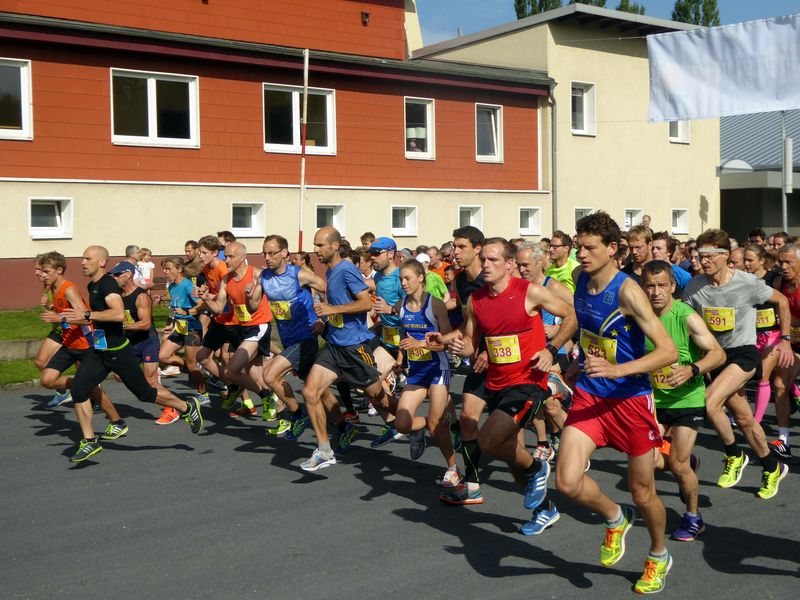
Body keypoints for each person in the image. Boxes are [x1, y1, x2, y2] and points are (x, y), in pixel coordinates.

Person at [557, 212, 679, 595]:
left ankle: (659, 554)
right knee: (566, 481)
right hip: (592, 394)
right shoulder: (578, 278)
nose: (582, 254)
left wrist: (617, 369)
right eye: (579, 247)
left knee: (643, 493)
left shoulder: (629, 291)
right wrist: (578, 361)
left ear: (613, 250)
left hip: (630, 401)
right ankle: (614, 516)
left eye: (590, 248)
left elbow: (668, 351)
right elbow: (587, 325)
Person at [434, 237, 576, 534]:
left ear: (510, 264)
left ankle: (538, 467)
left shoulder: (531, 292)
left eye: (493, 260)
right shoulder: (477, 300)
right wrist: (461, 348)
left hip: (527, 382)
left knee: (488, 440)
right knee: (509, 451)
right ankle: (544, 509)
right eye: (484, 259)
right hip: (496, 382)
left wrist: (552, 348)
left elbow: (571, 316)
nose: (485, 265)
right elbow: (472, 344)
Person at [61, 246, 203, 462]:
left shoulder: (108, 284)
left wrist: (88, 313)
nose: (82, 262)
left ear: (101, 262)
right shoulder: (93, 285)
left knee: (145, 393)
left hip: (119, 351)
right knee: (80, 390)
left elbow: (118, 314)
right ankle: (89, 442)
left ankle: (186, 406)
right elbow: (96, 318)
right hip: (100, 350)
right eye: (82, 257)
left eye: (87, 258)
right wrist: (68, 318)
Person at [681, 229, 792, 499]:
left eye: (708, 256)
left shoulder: (747, 282)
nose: (703, 261)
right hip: (715, 356)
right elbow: (685, 321)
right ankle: (771, 466)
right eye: (699, 255)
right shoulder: (695, 286)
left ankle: (733, 454)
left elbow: (782, 301)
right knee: (744, 419)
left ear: (724, 256)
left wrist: (786, 339)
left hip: (743, 353)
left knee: (709, 403)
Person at [299, 226, 397, 471]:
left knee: (378, 396)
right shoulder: (331, 270)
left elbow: (365, 302)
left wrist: (333, 310)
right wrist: (325, 320)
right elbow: (336, 304)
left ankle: (406, 422)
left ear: (335, 246)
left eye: (320, 245)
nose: (315, 250)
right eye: (314, 244)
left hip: (354, 346)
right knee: (310, 392)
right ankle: (324, 451)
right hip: (334, 345)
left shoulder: (346, 269)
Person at [641, 260, 725, 541]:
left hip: (687, 398)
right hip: (654, 399)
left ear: (673, 287)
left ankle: (692, 516)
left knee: (677, 465)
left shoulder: (685, 316)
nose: (656, 292)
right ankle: (688, 462)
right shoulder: (638, 318)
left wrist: (692, 369)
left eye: (662, 285)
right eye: (650, 286)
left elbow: (717, 353)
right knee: (649, 461)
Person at [37, 251, 123, 434]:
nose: (41, 275)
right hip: (70, 343)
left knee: (89, 386)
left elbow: (86, 319)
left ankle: (117, 422)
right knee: (47, 379)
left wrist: (59, 319)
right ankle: (82, 385)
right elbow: (65, 312)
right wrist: (53, 310)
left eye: (45, 271)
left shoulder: (69, 288)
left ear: (59, 270)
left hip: (87, 343)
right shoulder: (53, 288)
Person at [256, 234, 328, 438]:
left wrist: (322, 319)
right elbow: (253, 305)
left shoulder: (300, 275)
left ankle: (298, 413)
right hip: (288, 339)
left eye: (271, 253)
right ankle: (344, 424)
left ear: (284, 253)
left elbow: (327, 288)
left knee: (269, 375)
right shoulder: (265, 277)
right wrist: (250, 294)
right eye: (264, 253)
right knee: (316, 388)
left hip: (305, 337)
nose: (267, 257)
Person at [393, 259, 458, 482]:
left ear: (420, 278)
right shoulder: (400, 305)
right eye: (401, 279)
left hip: (438, 368)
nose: (403, 283)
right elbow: (404, 336)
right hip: (416, 371)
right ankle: (424, 426)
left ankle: (452, 467)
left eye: (407, 278)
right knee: (401, 423)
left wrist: (420, 345)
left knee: (435, 426)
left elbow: (448, 341)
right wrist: (400, 358)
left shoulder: (435, 305)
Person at [200, 242, 276, 418]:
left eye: (230, 256)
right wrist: (205, 298)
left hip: (259, 326)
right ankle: (277, 409)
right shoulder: (227, 279)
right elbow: (219, 308)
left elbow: (278, 288)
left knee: (230, 371)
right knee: (255, 375)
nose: (226, 260)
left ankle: (267, 396)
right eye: (225, 256)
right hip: (243, 328)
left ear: (243, 257)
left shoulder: (257, 274)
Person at [157, 256, 208, 423]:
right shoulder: (172, 286)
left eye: (169, 268)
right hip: (179, 327)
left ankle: (203, 393)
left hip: (192, 328)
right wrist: (170, 324)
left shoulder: (187, 285)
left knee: (193, 364)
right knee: (162, 356)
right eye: (164, 269)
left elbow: (201, 304)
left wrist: (187, 312)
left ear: (179, 269)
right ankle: (188, 367)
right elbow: (174, 304)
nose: (166, 272)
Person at [743, 244, 782, 423]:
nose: (746, 263)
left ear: (762, 260)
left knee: (763, 375)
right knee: (767, 375)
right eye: (745, 260)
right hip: (752, 333)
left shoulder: (774, 278)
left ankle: (756, 421)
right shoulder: (744, 280)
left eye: (750, 260)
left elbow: (784, 303)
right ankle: (795, 391)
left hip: (773, 334)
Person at [770, 244, 800, 460]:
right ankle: (784, 441)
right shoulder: (779, 283)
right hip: (793, 344)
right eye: (780, 262)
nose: (783, 266)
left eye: (788, 261)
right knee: (780, 385)